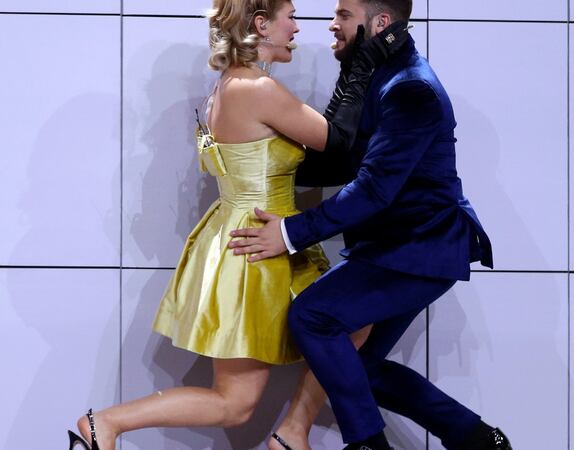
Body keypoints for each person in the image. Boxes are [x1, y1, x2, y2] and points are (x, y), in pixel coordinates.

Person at [66, 1, 409, 449]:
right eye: (289, 16)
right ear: (261, 24)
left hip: (255, 240)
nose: (298, 27)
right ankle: (108, 423)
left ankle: (290, 433)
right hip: (259, 249)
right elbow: (338, 142)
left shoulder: (227, 87)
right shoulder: (256, 88)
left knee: (340, 329)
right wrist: (362, 64)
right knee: (242, 398)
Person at [228, 1, 514, 449]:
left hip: (419, 249)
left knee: (313, 317)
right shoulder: (376, 72)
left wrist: (289, 233)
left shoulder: (410, 88)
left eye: (343, 14)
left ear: (380, 23)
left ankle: (368, 444)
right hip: (395, 248)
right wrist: (257, 168)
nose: (331, 24)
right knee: (355, 366)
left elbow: (373, 189)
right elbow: (342, 157)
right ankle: (477, 439)